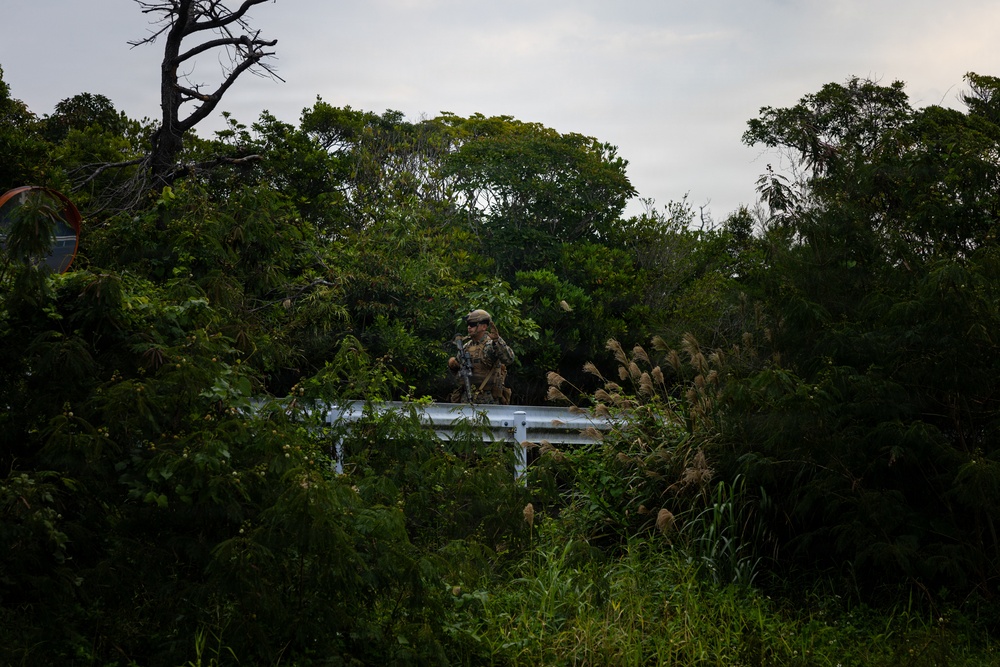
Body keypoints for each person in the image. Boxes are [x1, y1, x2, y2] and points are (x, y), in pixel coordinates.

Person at [448, 309, 515, 404]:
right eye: (468, 324)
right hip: (466, 398)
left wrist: (497, 341)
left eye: (473, 324)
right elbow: (457, 376)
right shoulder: (466, 347)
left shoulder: (491, 345)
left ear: (484, 327)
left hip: (488, 400)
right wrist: (453, 366)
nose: (469, 327)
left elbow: (509, 359)